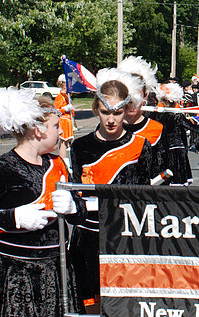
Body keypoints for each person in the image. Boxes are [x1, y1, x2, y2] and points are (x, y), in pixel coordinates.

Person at [0, 88, 85, 316]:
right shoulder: (1, 168)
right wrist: (14, 218)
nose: (61, 132)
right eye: (56, 126)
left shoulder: (57, 164)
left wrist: (72, 207)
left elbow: (79, 213)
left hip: (57, 267)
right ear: (38, 130)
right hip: (15, 270)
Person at [69, 69, 169, 313]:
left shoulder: (140, 144)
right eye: (105, 112)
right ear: (96, 110)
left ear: (127, 110)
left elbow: (147, 196)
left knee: (126, 304)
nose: (111, 119)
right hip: (89, 236)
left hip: (126, 237)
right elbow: (74, 194)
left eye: (117, 112)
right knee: (91, 304)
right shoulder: (80, 146)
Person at [54, 74, 75, 161]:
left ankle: (64, 159)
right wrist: (65, 109)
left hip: (68, 121)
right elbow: (56, 110)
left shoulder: (66, 96)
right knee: (63, 142)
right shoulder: (60, 96)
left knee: (66, 142)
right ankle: (63, 160)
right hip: (63, 121)